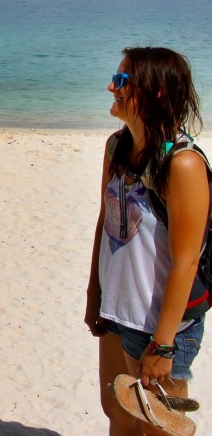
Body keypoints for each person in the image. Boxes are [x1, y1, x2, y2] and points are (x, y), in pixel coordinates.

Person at [86, 46, 209, 434]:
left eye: (123, 81)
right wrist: (95, 295)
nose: (111, 87)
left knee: (159, 429)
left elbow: (187, 262)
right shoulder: (116, 147)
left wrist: (164, 345)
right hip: (116, 312)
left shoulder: (183, 163)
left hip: (159, 326)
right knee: (117, 415)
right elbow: (105, 223)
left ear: (154, 92)